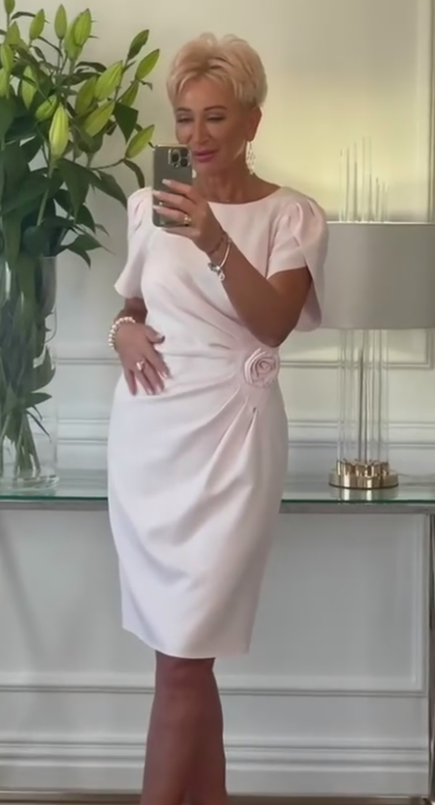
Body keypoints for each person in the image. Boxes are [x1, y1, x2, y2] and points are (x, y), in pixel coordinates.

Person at [107, 32, 328, 805]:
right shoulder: (147, 205)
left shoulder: (292, 215)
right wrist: (121, 331)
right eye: (184, 117)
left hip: (232, 444)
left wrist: (212, 237)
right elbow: (133, 307)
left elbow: (272, 322)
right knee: (180, 658)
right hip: (149, 444)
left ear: (252, 122)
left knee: (184, 657)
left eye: (216, 117)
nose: (196, 136)